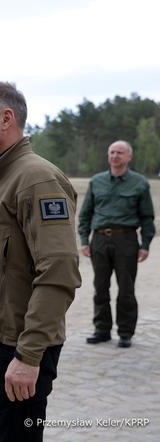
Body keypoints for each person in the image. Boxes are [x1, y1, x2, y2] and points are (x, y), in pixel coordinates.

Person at [0, 81, 81, 441]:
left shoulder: (34, 179)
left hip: (16, 348)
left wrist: (29, 357)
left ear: (6, 119)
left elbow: (59, 273)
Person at [78, 140, 155, 348]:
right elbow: (85, 214)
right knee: (100, 287)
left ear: (129, 157)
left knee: (126, 289)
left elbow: (147, 217)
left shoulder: (139, 183)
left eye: (120, 152)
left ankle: (125, 332)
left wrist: (145, 244)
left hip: (127, 240)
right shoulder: (97, 181)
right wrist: (85, 240)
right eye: (112, 152)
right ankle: (101, 330)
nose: (115, 156)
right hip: (100, 240)